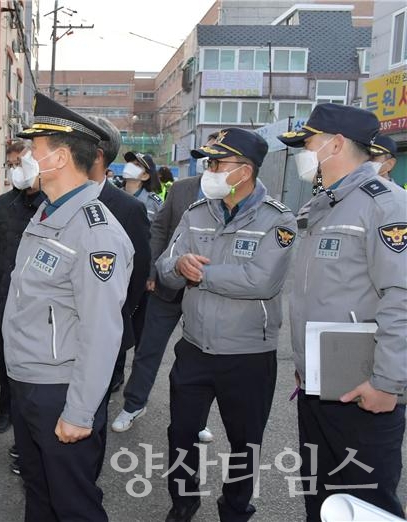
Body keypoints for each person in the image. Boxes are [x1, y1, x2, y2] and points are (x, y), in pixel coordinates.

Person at [4, 92, 134, 521]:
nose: (23, 158)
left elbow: (102, 331)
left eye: (32, 149)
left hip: (60, 390)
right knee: (39, 496)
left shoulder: (95, 232)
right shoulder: (45, 214)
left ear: (59, 158)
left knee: (74, 505)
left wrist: (80, 411)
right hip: (28, 381)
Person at [156, 128, 296, 522]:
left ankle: (235, 507)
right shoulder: (196, 213)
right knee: (181, 434)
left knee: (245, 442)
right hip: (195, 348)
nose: (210, 170)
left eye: (217, 163)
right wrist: (177, 266)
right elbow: (167, 267)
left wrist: (201, 273)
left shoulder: (278, 219)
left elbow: (261, 281)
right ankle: (183, 502)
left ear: (245, 170)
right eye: (209, 163)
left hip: (249, 355)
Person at [277, 103, 406, 521]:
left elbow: (400, 297)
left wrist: (387, 383)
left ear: (335, 144)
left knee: (364, 502)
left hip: (363, 388)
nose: (303, 153)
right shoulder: (326, 203)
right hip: (319, 383)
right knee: (324, 499)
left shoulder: (385, 206)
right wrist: (304, 364)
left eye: (308, 143)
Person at [111, 134, 220, 445]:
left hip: (209, 289)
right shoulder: (183, 189)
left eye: (218, 157)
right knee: (148, 349)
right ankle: (134, 405)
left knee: (201, 358)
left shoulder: (236, 195)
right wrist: (153, 269)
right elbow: (159, 228)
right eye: (208, 156)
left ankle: (196, 420)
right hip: (167, 284)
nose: (211, 163)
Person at [0, 141, 45, 438]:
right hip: (7, 294)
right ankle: (6, 410)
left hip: (42, 298)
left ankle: (32, 414)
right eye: (13, 164)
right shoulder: (3, 204)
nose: (17, 169)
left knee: (37, 358)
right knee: (7, 357)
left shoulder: (53, 203)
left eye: (23, 163)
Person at [86, 115, 152, 394]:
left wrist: (116, 316)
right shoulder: (49, 200)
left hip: (102, 328)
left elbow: (136, 275)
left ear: (97, 156)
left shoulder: (128, 208)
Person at [121, 152, 163, 221]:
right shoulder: (112, 196)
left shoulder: (154, 203)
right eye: (130, 163)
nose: (130, 166)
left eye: (137, 165)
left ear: (145, 176)